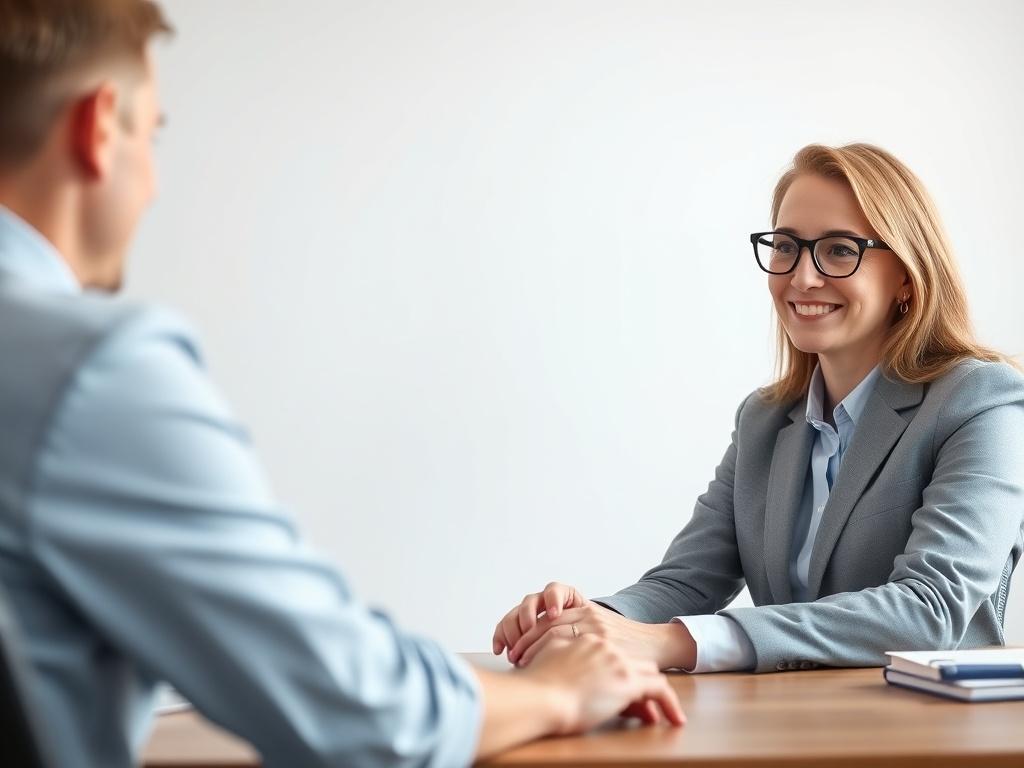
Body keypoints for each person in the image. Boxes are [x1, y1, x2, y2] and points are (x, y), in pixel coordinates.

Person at [0, 2, 685, 766]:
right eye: (152, 135)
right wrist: (560, 687)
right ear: (98, 128)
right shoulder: (89, 370)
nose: (155, 184)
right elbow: (356, 708)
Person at [493, 143, 1024, 675]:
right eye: (786, 246)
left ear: (907, 275)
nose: (803, 276)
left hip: (935, 732)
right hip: (782, 726)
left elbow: (928, 611)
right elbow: (688, 580)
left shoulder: (981, 402)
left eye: (840, 249)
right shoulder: (765, 420)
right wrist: (585, 623)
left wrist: (672, 643)